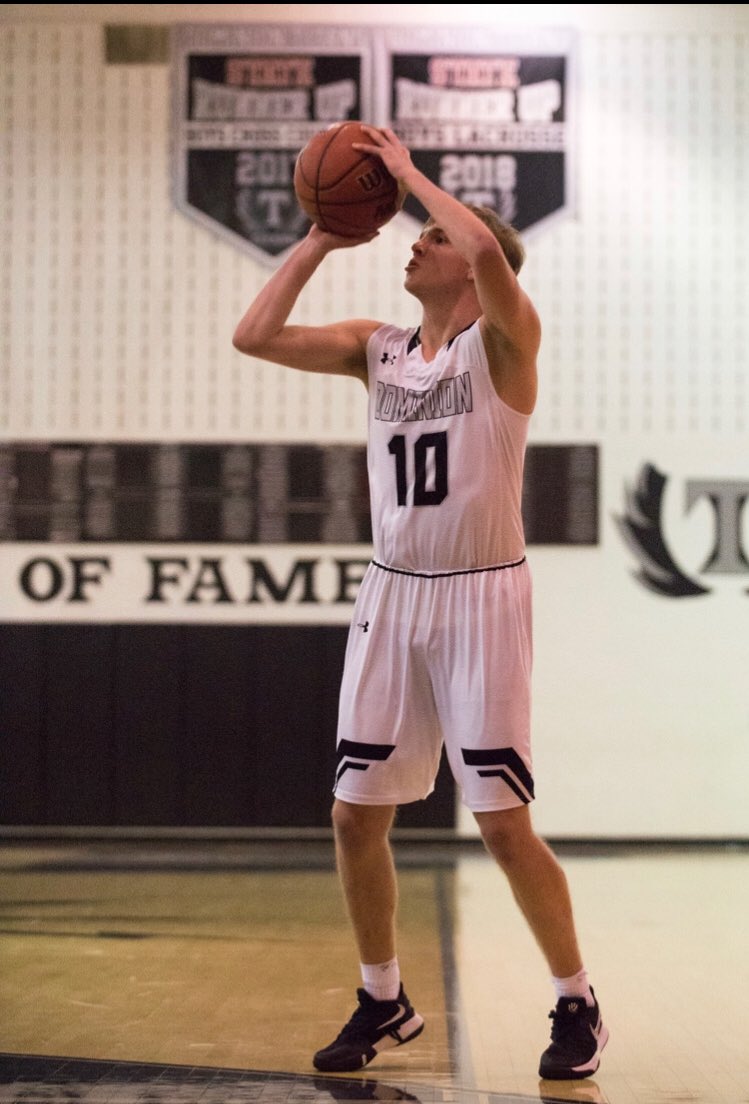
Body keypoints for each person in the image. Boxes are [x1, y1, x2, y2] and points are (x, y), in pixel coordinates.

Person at [233, 125, 608, 1082]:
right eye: (412, 228)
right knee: (354, 813)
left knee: (501, 821)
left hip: (484, 597)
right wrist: (320, 234)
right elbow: (254, 335)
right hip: (392, 596)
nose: (412, 237)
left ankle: (576, 1001)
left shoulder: (505, 340)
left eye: (427, 236)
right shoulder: (379, 348)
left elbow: (483, 248)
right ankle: (382, 995)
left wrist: (403, 174)